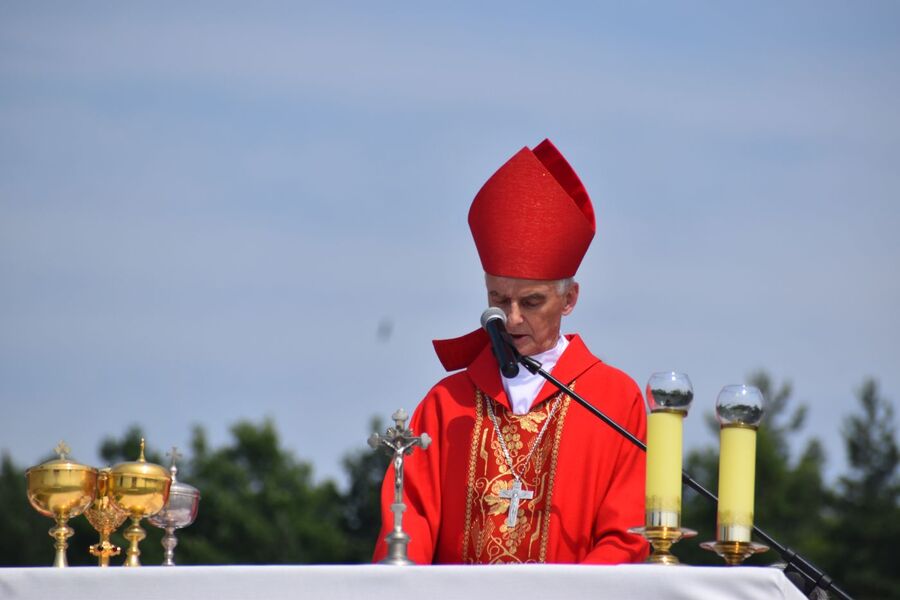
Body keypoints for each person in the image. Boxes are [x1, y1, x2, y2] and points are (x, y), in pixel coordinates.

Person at [373, 139, 648, 564]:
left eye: (532, 302)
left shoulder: (613, 401)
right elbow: (409, 528)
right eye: (499, 299)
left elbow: (624, 537)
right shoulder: (447, 404)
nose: (513, 319)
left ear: (569, 299)